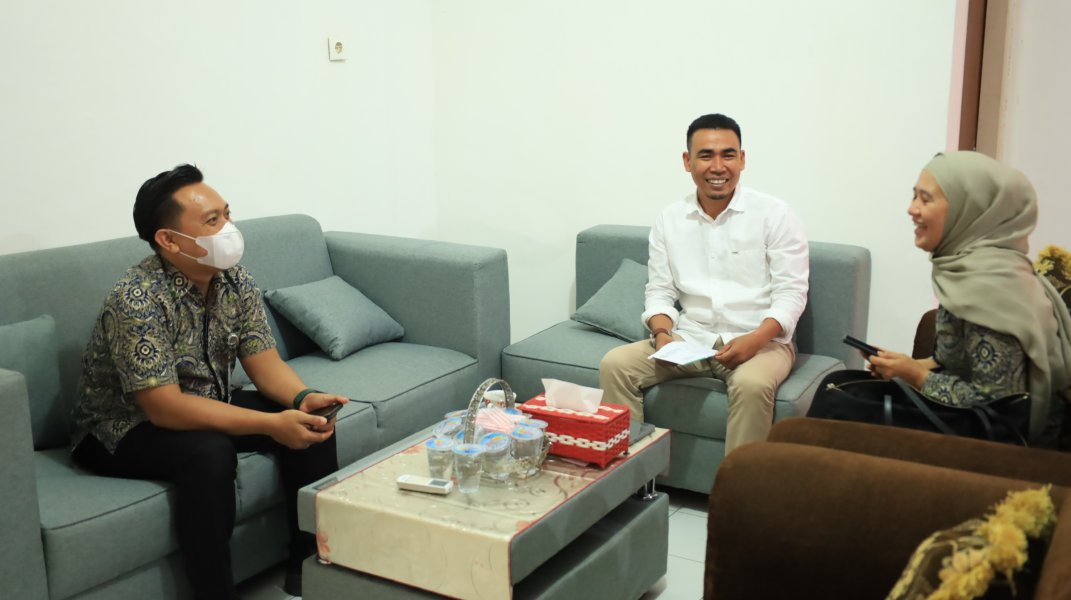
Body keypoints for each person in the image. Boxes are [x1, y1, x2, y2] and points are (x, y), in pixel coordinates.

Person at [70, 164, 347, 599]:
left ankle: (307, 571)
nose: (229, 228)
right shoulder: (137, 299)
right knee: (209, 453)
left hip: (203, 401)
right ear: (169, 240)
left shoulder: (235, 280)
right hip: (121, 429)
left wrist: (302, 397)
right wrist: (270, 425)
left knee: (313, 423)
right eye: (212, 220)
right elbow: (166, 408)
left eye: (227, 214)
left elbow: (264, 361)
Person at [599, 113, 809, 455]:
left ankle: (739, 487)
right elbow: (660, 291)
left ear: (742, 159)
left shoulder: (775, 215)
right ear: (688, 161)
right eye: (706, 155)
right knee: (616, 364)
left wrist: (755, 339)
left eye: (728, 155)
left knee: (752, 384)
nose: (718, 167)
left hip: (761, 341)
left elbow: (791, 294)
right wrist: (662, 333)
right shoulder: (670, 219)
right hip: (691, 339)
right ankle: (631, 475)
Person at [867, 150, 1071, 445]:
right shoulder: (967, 271)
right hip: (969, 426)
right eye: (914, 196)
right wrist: (905, 365)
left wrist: (915, 376)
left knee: (838, 413)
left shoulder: (991, 289)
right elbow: (960, 366)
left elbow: (998, 407)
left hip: (1004, 447)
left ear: (968, 209)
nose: (912, 209)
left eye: (925, 199)